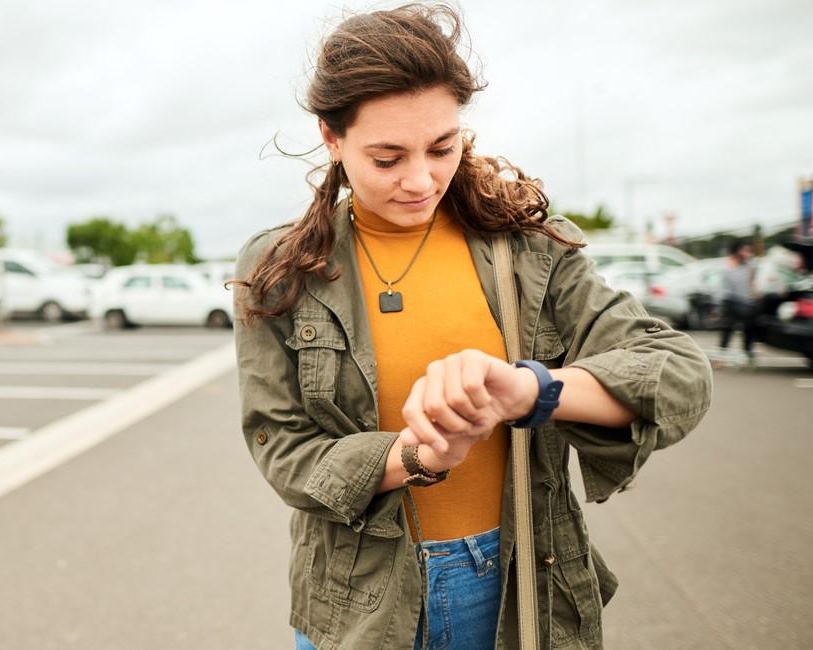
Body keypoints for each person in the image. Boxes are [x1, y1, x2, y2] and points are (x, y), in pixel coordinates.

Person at [230, 5, 713, 649]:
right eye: (387, 157)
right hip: (356, 599)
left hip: (518, 582)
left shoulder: (529, 249)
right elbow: (283, 449)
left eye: (442, 147)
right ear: (331, 138)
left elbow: (676, 372)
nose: (420, 179)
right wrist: (415, 457)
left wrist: (530, 390)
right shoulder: (279, 268)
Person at [716, 239, 758, 368]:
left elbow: (753, 285)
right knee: (727, 329)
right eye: (745, 251)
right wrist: (718, 307)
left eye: (748, 251)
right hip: (731, 302)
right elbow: (722, 290)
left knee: (749, 329)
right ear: (737, 251)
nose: (747, 254)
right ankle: (721, 358)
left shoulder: (750, 266)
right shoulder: (727, 267)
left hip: (747, 303)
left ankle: (747, 356)